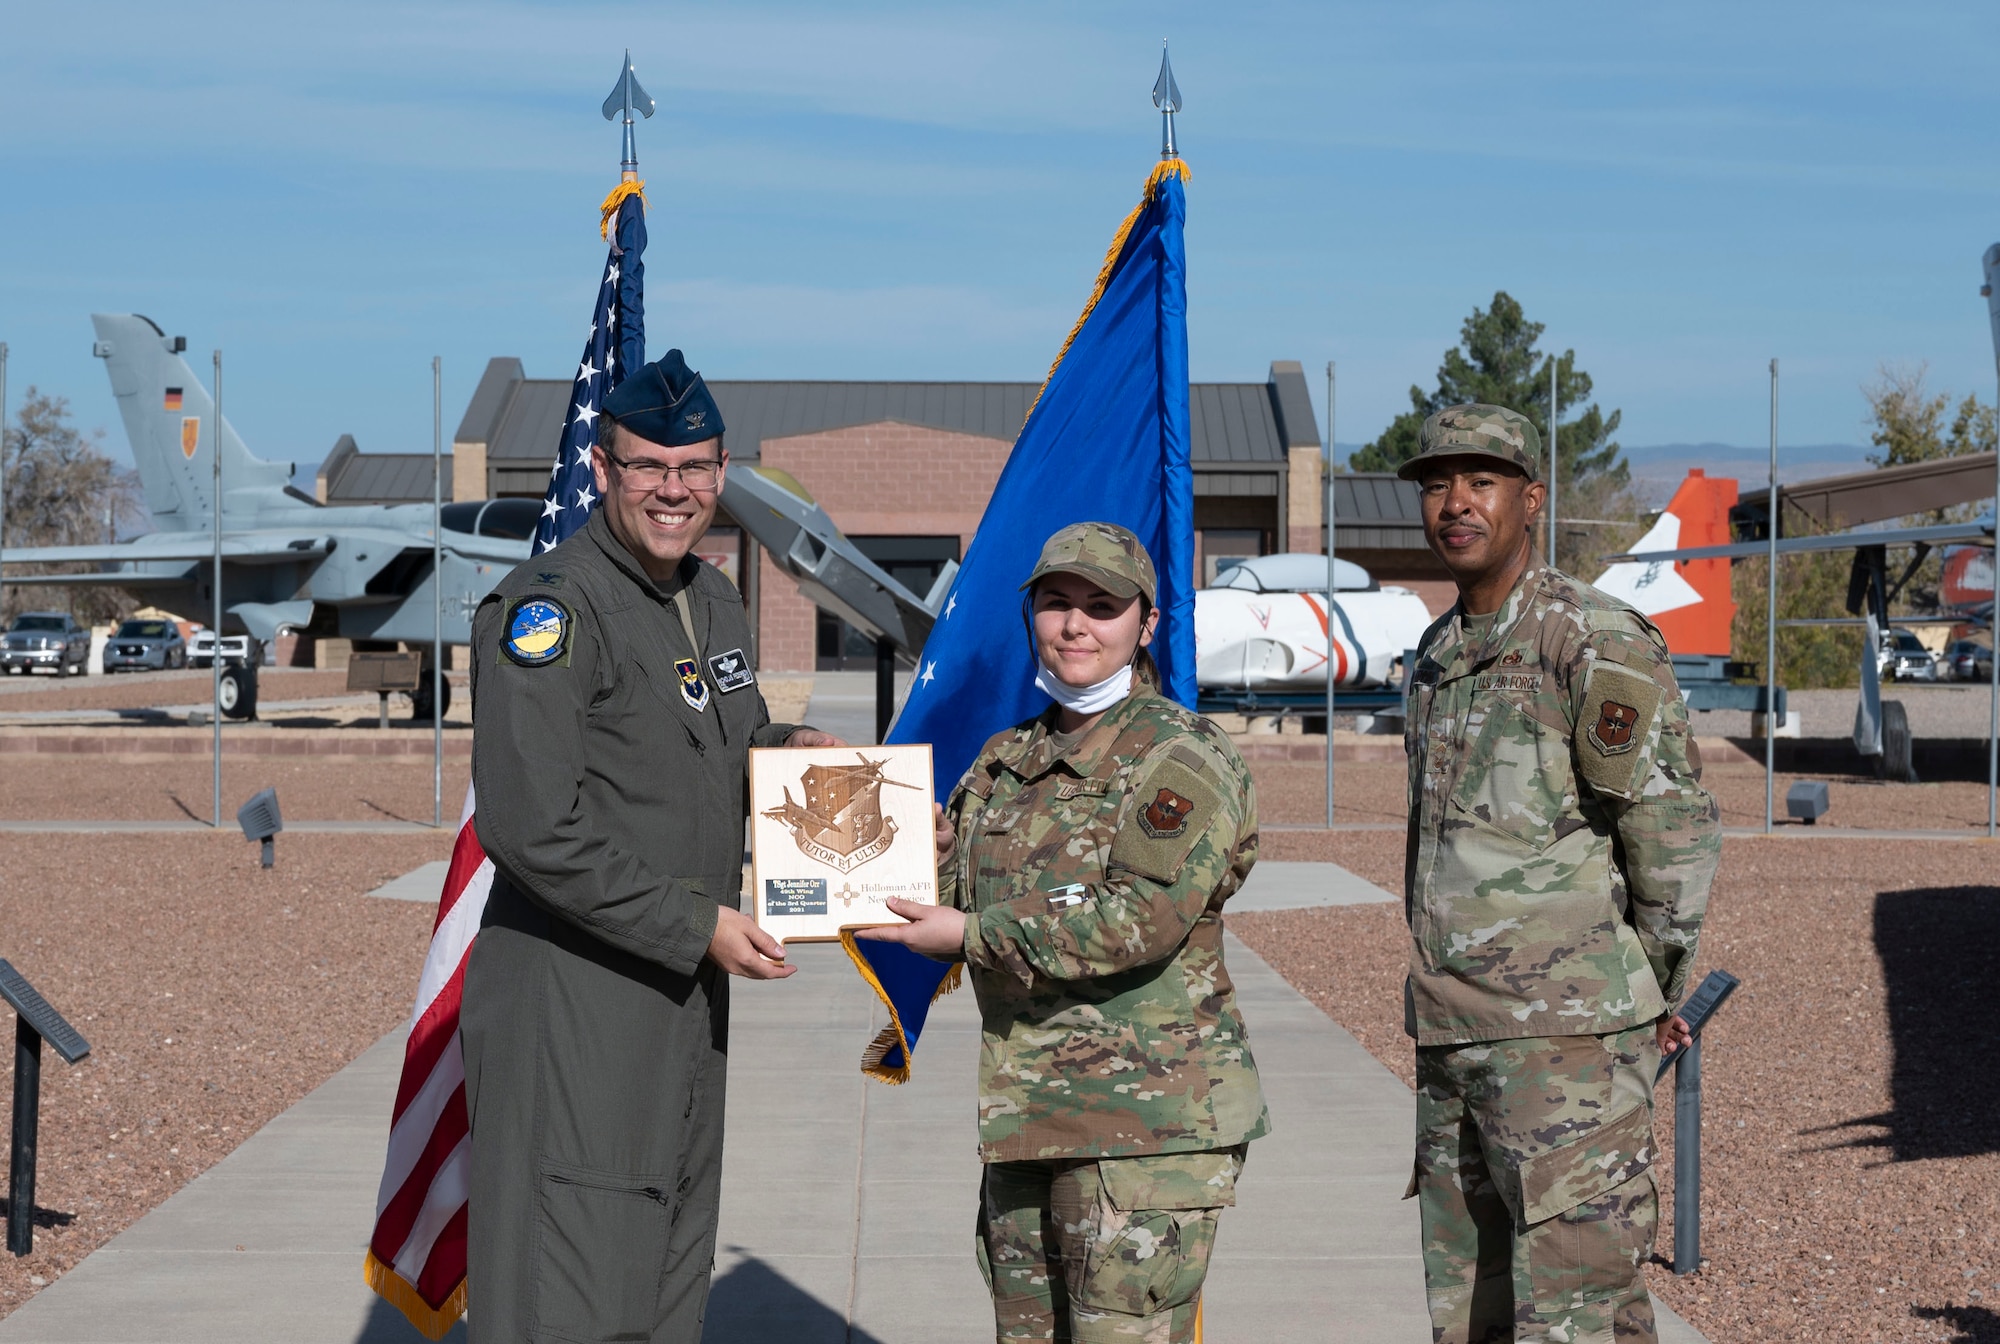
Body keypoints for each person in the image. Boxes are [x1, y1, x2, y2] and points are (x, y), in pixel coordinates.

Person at [459, 350, 839, 1342]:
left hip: (680, 987)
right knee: (570, 1272)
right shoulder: (549, 610)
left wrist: (802, 764)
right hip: (575, 990)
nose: (675, 490)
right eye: (648, 467)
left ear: (722, 471)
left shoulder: (710, 599)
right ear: (602, 467)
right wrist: (697, 925)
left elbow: (732, 742)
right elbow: (530, 825)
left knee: (665, 1252)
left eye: (696, 468)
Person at [857, 521, 1269, 1344]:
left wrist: (969, 931)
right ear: (1031, 617)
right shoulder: (1005, 760)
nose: (1075, 625)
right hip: (1027, 1123)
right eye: (1056, 603)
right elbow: (947, 907)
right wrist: (927, 861)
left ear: (1145, 625)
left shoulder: (1180, 757)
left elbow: (1140, 918)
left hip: (1143, 1138)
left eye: (1101, 606)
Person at [1395, 405, 1721, 1343]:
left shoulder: (1590, 638)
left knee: (1577, 1315)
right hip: (1454, 1037)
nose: (1456, 504)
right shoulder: (1439, 652)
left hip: (1568, 1052)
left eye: (1481, 481)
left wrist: (1638, 995)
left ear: (1531, 499)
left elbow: (1672, 832)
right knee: (1470, 1313)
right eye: (1437, 484)